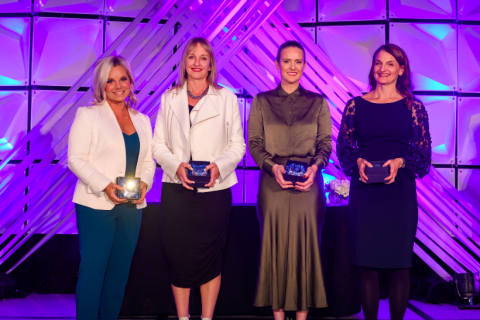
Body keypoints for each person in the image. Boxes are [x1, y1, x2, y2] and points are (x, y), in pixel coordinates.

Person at [152, 37, 245, 320]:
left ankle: (206, 319)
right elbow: (158, 146)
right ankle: (183, 319)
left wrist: (219, 165)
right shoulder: (169, 97)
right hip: (177, 191)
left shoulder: (226, 97)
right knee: (179, 258)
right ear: (184, 62)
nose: (196, 62)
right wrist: (175, 165)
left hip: (214, 192)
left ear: (210, 64)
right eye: (191, 56)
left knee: (210, 259)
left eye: (203, 57)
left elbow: (237, 145)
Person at [337, 44, 432, 320]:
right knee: (367, 266)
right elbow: (343, 148)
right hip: (365, 192)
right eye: (378, 63)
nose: (383, 69)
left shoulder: (414, 107)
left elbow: (423, 157)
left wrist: (400, 162)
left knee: (400, 265)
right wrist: (357, 162)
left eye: (390, 64)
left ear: (401, 69)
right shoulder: (355, 105)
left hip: (399, 194)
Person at [248, 40, 331, 319]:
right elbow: (255, 144)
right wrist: (273, 168)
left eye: (298, 61)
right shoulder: (261, 101)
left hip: (309, 183)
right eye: (286, 61)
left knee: (306, 249)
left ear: (305, 66)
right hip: (272, 183)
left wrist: (315, 168)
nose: (292, 67)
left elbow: (325, 144)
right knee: (273, 249)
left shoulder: (318, 102)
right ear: (276, 64)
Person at [68, 55, 155, 320]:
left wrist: (145, 183)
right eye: (110, 81)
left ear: (130, 81)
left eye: (123, 79)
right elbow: (75, 159)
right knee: (93, 274)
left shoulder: (142, 119)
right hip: (96, 206)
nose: (118, 86)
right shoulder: (88, 114)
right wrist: (105, 186)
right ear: (101, 85)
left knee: (119, 277)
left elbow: (149, 160)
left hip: (132, 208)